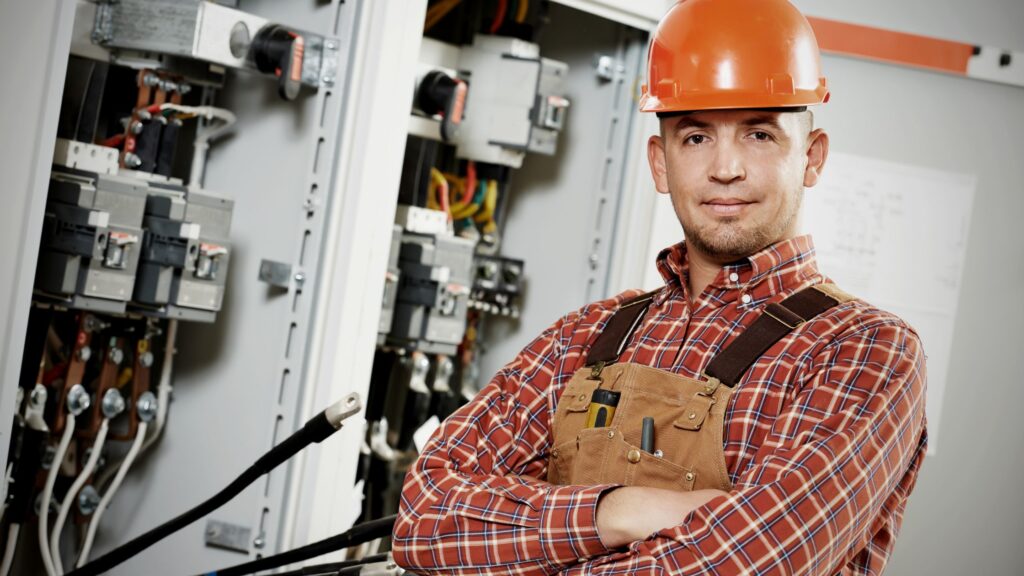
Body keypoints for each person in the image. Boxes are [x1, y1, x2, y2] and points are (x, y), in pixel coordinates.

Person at [391, 0, 928, 573]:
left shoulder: (863, 351)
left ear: (812, 157)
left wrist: (526, 541)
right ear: (659, 162)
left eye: (759, 135)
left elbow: (743, 563)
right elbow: (425, 520)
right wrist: (623, 510)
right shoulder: (588, 334)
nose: (725, 168)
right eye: (696, 137)